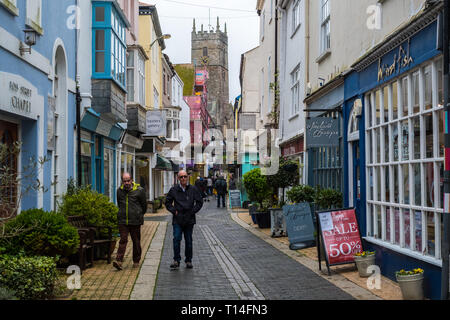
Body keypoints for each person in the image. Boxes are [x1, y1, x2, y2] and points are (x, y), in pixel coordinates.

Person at [165, 170, 203, 269]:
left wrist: (192, 211)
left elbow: (199, 202)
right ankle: (176, 260)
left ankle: (188, 260)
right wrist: (174, 211)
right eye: (181, 177)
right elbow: (167, 202)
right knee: (176, 239)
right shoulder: (174, 190)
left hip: (189, 219)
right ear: (178, 178)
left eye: (185, 176)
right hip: (178, 219)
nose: (183, 179)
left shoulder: (193, 189)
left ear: (188, 177)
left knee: (189, 241)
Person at [113, 172, 147, 271]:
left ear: (132, 180)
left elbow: (144, 205)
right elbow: (119, 203)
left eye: (128, 180)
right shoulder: (119, 191)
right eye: (124, 181)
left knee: (136, 241)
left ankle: (136, 261)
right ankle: (119, 261)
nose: (126, 183)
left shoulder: (139, 191)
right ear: (122, 182)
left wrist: (139, 214)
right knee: (123, 240)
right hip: (123, 220)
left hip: (135, 220)